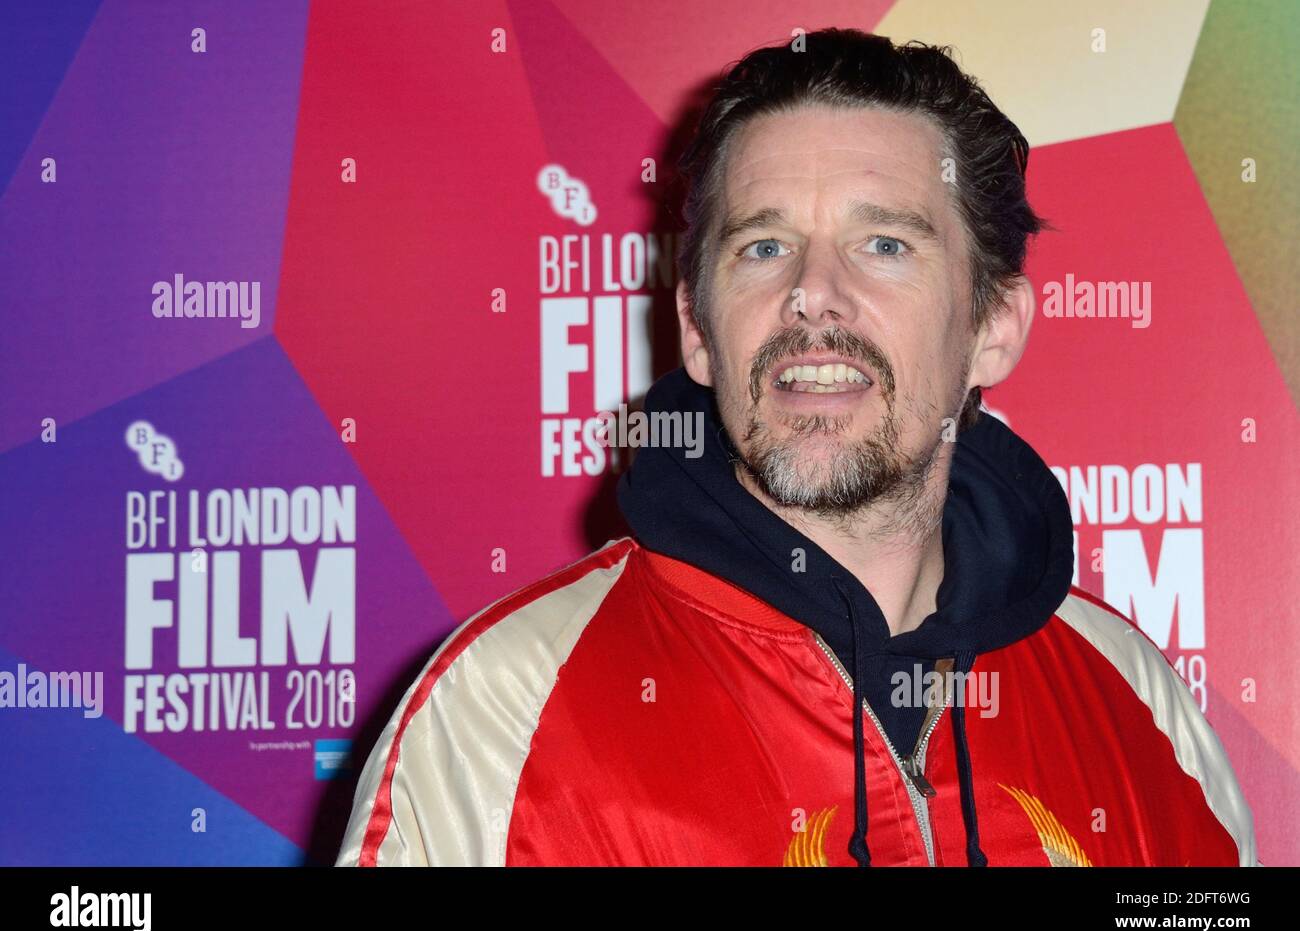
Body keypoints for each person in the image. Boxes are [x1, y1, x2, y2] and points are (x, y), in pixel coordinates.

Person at [336, 28, 1256, 867]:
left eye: (885, 244)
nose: (815, 295)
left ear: (994, 328)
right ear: (696, 328)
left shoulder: (1134, 703)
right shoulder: (502, 716)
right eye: (764, 246)